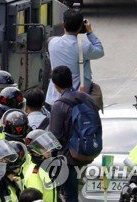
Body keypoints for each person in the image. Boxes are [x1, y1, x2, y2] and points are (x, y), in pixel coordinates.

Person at [49, 65, 102, 202]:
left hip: (68, 158)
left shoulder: (59, 105)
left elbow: (55, 137)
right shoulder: (88, 98)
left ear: (55, 85)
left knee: (70, 195)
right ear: (71, 80)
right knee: (81, 192)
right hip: (89, 152)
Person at [46, 9, 104, 107]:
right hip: (76, 100)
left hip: (54, 99)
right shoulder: (83, 46)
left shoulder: (52, 43)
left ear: (63, 25)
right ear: (81, 26)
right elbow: (100, 52)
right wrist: (89, 32)